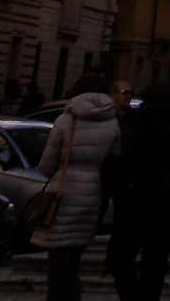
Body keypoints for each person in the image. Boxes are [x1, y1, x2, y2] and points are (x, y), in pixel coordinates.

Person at [106, 86, 170, 301]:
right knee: (155, 262)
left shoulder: (146, 127)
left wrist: (116, 168)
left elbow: (135, 165)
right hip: (169, 205)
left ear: (150, 104)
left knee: (121, 258)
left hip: (141, 203)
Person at [36, 79, 123, 301]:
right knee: (72, 263)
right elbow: (114, 163)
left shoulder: (65, 121)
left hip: (63, 195)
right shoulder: (112, 124)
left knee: (57, 265)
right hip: (92, 196)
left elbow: (46, 166)